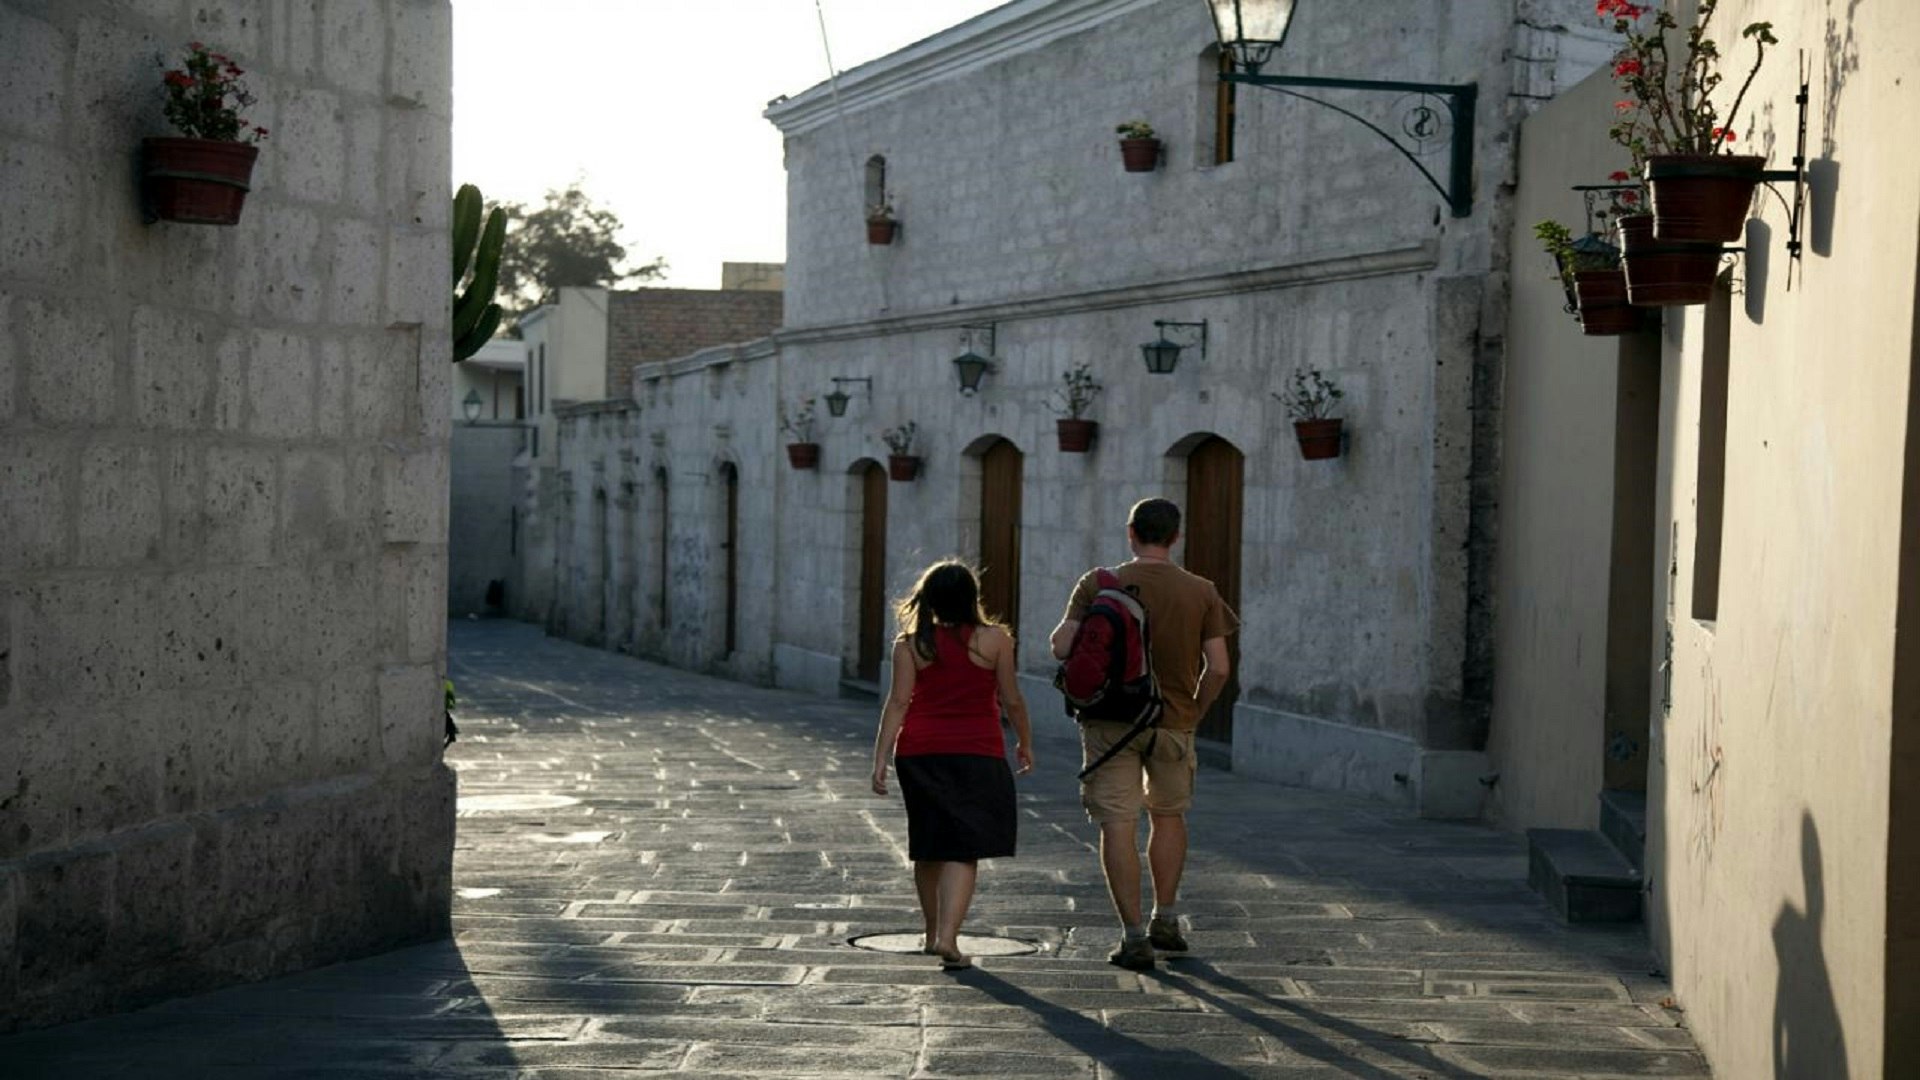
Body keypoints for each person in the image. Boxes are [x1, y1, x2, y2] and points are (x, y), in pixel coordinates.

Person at [1049, 498, 1237, 972]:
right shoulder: (1201, 591)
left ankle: (1134, 938)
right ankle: (1166, 919)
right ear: (1175, 537)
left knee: (1118, 823)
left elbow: (1060, 645)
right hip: (1173, 722)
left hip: (1109, 722)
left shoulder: (1098, 583)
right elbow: (1219, 667)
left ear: (1130, 531)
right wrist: (1194, 709)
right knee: (1169, 816)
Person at [871, 560, 1034, 970]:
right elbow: (1012, 698)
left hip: (920, 753)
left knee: (929, 846)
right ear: (971, 597)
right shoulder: (996, 640)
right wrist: (1024, 742)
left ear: (927, 599)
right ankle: (948, 938)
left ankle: (930, 934)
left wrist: (880, 757)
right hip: (978, 752)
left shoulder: (910, 645)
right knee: (964, 848)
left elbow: (897, 702)